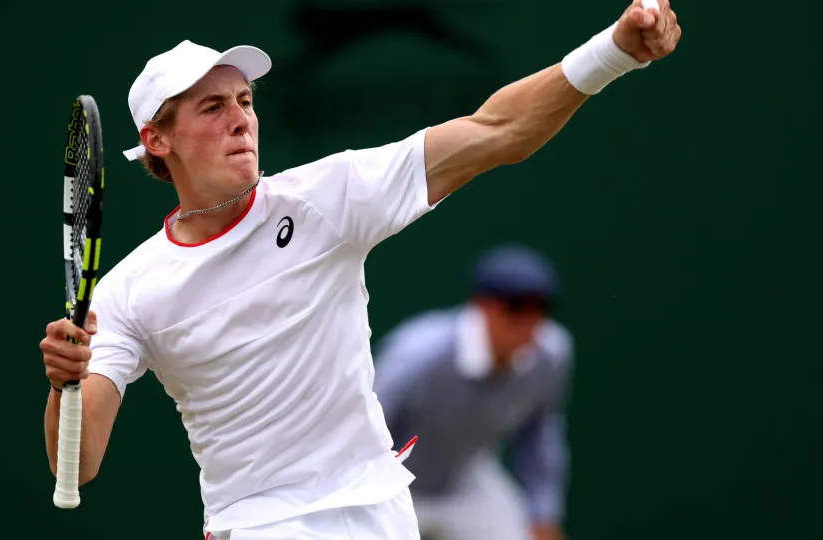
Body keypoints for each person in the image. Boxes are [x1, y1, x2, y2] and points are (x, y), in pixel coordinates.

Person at [39, 1, 681, 538]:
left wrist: (614, 51)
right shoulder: (126, 292)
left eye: (245, 100)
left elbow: (498, 130)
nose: (241, 120)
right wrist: (66, 383)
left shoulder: (327, 196)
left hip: (378, 508)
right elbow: (80, 461)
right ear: (158, 139)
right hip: (263, 525)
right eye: (212, 108)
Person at [372, 244, 572, 540]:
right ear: (482, 307)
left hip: (467, 482)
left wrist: (542, 512)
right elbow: (367, 431)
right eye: (515, 308)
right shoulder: (418, 355)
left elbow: (538, 435)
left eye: (540, 310)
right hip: (390, 486)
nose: (528, 323)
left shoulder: (550, 354)